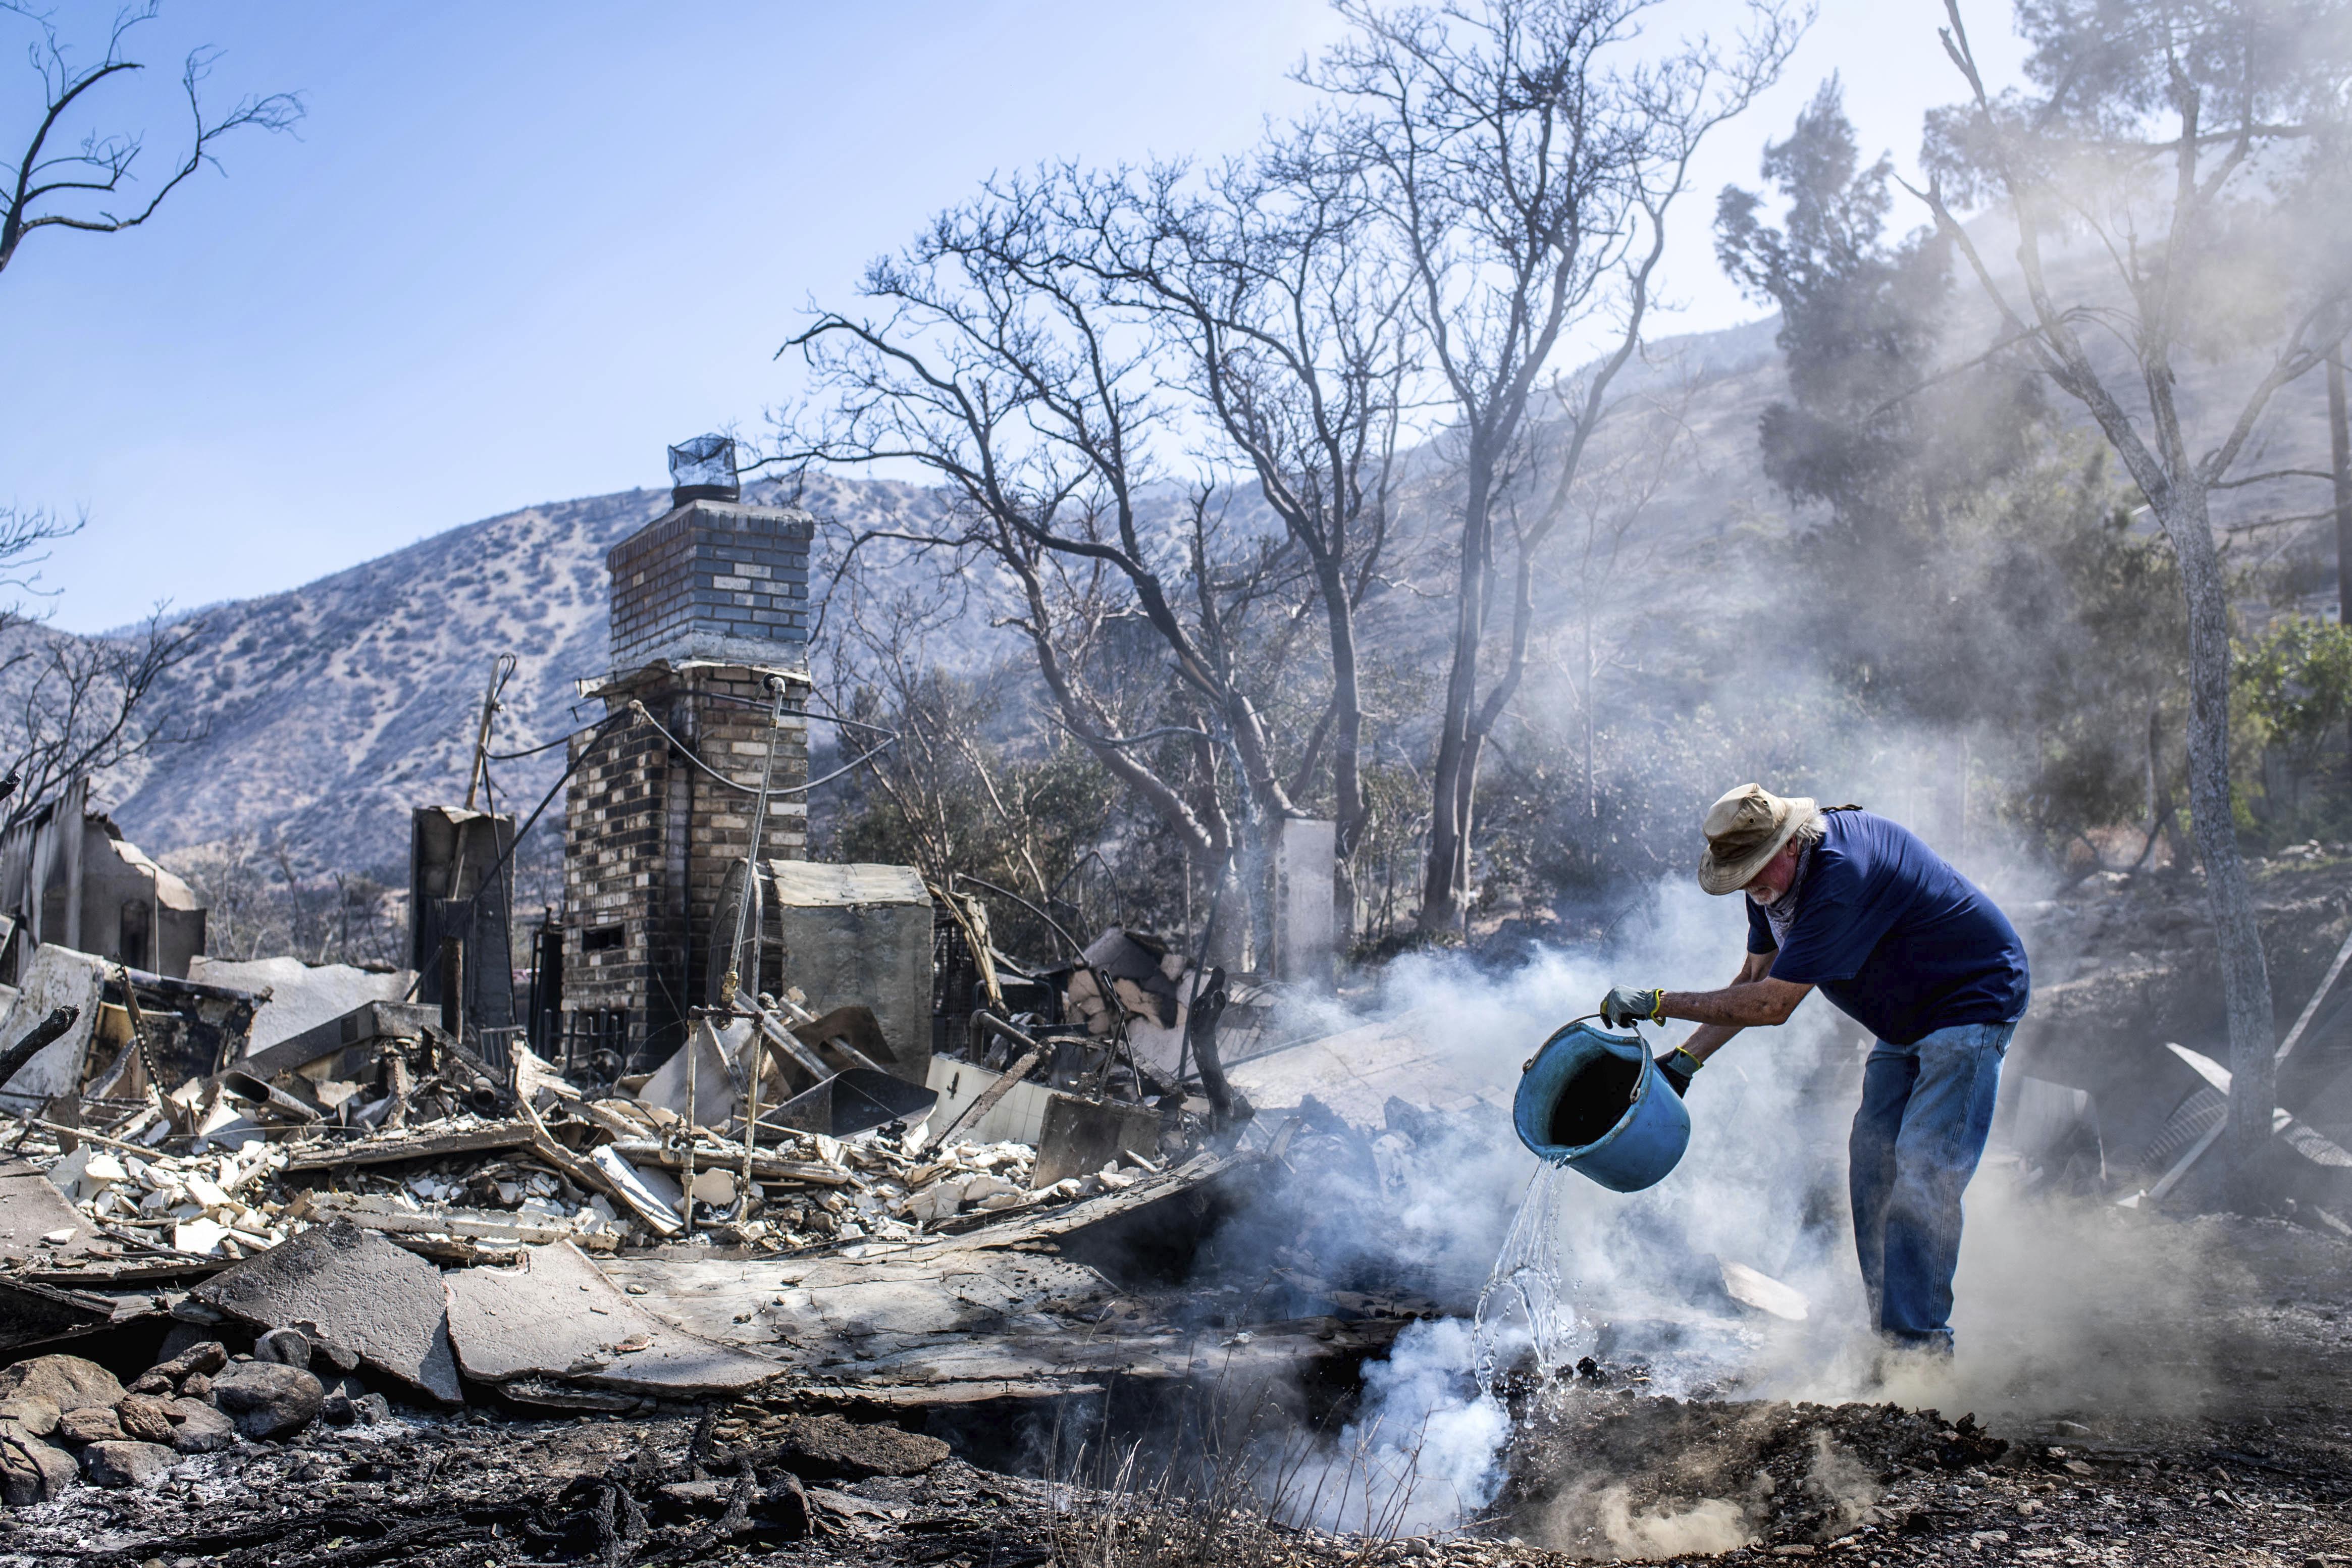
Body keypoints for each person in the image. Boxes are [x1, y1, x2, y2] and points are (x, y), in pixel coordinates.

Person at [1597, 782, 2029, 1353]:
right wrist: (1684, 1061)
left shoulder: (1839, 875)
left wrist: (1658, 1000)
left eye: (1755, 868)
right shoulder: (1770, 885)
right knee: (1872, 1168)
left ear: (1791, 844)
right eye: (1740, 873)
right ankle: (1889, 1333)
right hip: (1905, 1021)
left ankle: (1920, 1349)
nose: (1751, 884)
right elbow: (1752, 982)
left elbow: (1774, 1005)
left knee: (1924, 1173)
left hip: (1972, 999)